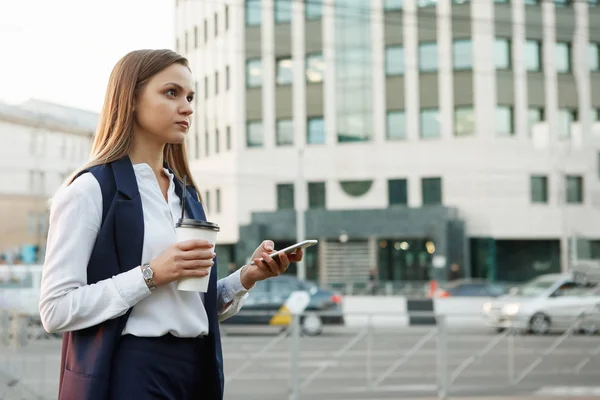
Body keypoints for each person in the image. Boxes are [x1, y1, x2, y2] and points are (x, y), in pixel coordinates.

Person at [38, 49, 303, 400]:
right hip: (130, 372)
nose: (188, 107)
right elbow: (55, 310)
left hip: (196, 369)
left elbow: (188, 305)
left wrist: (247, 277)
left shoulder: (187, 195)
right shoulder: (91, 190)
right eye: (171, 93)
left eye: (190, 96)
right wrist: (150, 274)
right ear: (130, 99)